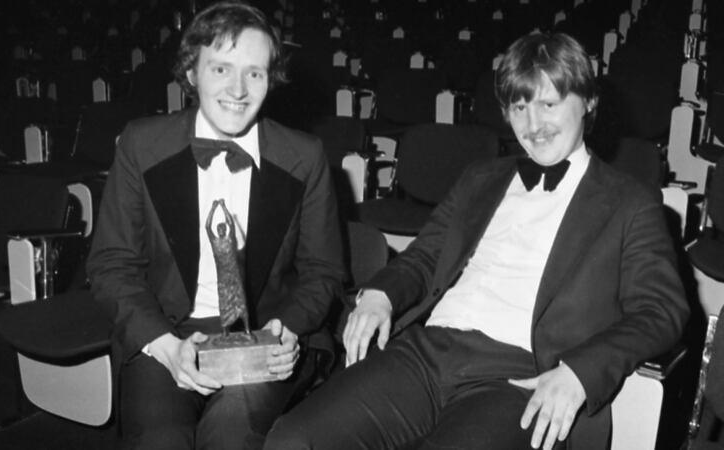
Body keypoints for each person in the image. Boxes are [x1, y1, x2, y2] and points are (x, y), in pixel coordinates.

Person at [265, 32, 688, 450]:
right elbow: (425, 257)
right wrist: (380, 295)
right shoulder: (481, 177)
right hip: (426, 352)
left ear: (588, 102)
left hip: (521, 377)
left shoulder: (631, 203)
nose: (534, 125)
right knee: (292, 438)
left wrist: (581, 372)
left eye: (548, 104)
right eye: (520, 107)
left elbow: (662, 310)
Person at [85, 2, 344, 449]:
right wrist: (167, 347)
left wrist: (284, 330)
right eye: (221, 68)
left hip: (268, 330)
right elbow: (111, 266)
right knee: (159, 438)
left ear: (271, 80)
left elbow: (324, 272)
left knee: (231, 430)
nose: (238, 90)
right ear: (191, 72)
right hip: (165, 328)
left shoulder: (306, 156)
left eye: (255, 73)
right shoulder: (141, 144)